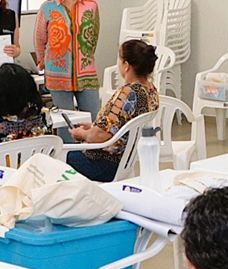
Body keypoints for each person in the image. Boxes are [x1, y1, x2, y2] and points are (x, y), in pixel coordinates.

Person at [65, 40, 160, 182]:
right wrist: (92, 127)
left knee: (60, 155)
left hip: (105, 163)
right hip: (126, 160)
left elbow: (98, 137)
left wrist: (82, 134)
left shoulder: (128, 93)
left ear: (126, 65)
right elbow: (122, 126)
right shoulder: (150, 90)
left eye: (119, 58)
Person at [34, 0, 101, 118]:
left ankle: (90, 145)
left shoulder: (91, 5)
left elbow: (94, 36)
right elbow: (40, 38)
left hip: (86, 73)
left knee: (91, 119)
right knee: (65, 122)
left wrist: (85, 56)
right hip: (57, 74)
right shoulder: (48, 7)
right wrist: (41, 59)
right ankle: (68, 144)